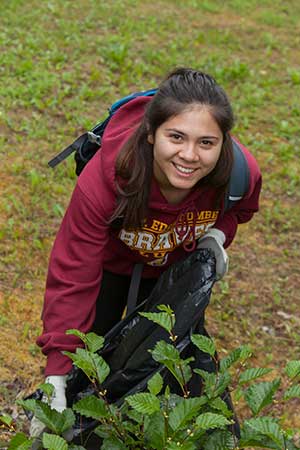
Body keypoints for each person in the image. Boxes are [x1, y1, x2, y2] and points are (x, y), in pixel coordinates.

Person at [30, 67, 261, 436]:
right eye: (176, 137)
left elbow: (241, 209)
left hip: (172, 270)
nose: (189, 155)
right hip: (110, 265)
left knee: (167, 363)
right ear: (151, 134)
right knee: (87, 361)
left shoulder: (239, 172)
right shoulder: (107, 180)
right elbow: (73, 271)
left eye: (206, 143)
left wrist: (217, 235)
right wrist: (56, 375)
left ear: (223, 142)